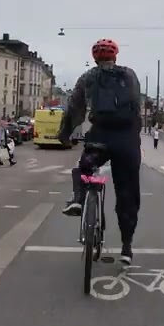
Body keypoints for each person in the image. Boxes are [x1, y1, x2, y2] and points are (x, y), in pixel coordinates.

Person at [58, 38, 144, 266]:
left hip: (100, 136)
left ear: (94, 58)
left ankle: (79, 198)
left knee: (85, 167)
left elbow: (75, 109)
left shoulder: (87, 77)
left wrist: (65, 134)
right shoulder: (129, 75)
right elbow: (136, 106)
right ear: (115, 56)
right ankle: (126, 247)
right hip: (126, 140)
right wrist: (134, 136)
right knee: (127, 193)